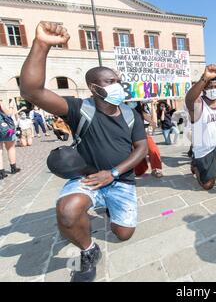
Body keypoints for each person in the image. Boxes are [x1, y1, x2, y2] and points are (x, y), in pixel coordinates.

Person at [19, 22, 148, 282]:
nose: (118, 86)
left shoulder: (130, 113)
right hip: (87, 178)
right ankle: (88, 250)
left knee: (123, 233)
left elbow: (142, 148)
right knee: (67, 211)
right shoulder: (79, 108)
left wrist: (112, 173)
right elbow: (32, 91)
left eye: (118, 82)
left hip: (120, 180)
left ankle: (109, 208)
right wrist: (42, 45)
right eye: (111, 82)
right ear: (94, 87)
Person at [133, 100, 163, 178]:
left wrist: (151, 122)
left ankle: (156, 168)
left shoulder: (140, 105)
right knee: (137, 152)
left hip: (142, 132)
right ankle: (140, 170)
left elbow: (152, 120)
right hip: (128, 132)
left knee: (153, 149)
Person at [0, 100, 21, 179]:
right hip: (5, 128)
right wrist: (11, 106)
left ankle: (1, 173)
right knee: (10, 148)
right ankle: (13, 168)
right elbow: (8, 113)